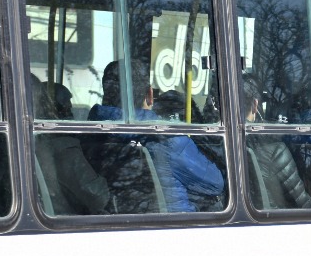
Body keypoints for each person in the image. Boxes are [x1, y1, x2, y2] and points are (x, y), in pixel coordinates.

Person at [89, 60, 225, 212]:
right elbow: (215, 184)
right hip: (177, 226)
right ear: (150, 95)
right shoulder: (167, 139)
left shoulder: (87, 134)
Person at [32, 78, 111, 216]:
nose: (71, 116)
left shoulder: (35, 143)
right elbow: (99, 197)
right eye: (67, 110)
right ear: (54, 112)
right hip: (67, 220)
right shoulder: (65, 150)